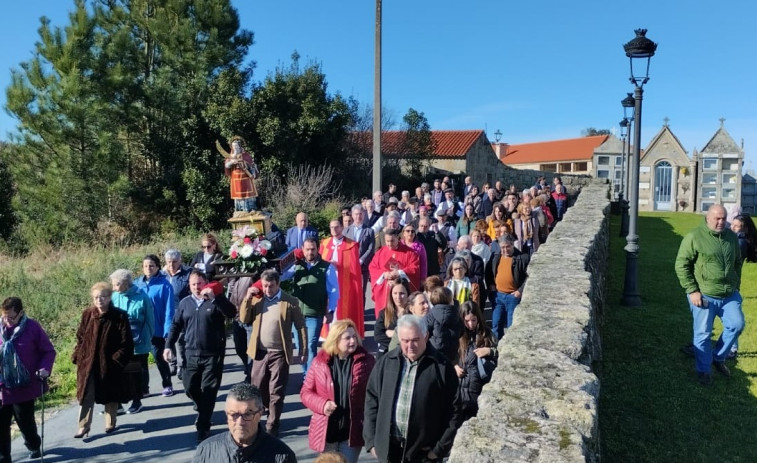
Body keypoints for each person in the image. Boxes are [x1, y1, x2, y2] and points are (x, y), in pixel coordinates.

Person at [363, 314, 462, 462]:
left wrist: (438, 450)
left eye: (415, 340)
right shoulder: (386, 362)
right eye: (405, 341)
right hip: (389, 452)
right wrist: (371, 442)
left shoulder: (442, 367)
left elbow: (454, 412)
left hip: (423, 455)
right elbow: (372, 401)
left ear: (426, 335)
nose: (410, 346)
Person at [675, 204, 744, 386]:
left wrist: (736, 283)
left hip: (729, 294)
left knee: (736, 325)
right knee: (703, 334)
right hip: (704, 294)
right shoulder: (694, 237)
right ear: (708, 218)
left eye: (723, 218)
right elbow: (681, 265)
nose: (721, 222)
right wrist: (692, 290)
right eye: (717, 218)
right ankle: (704, 370)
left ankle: (718, 358)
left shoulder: (731, 237)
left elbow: (737, 261)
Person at [164, 270, 235, 441]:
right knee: (189, 387)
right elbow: (175, 325)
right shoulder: (185, 303)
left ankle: (203, 426)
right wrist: (168, 346)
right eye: (193, 284)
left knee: (209, 390)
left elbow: (232, 313)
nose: (197, 287)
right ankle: (201, 406)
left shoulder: (216, 300)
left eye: (199, 283)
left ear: (206, 283)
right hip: (191, 354)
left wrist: (215, 298)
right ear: (189, 286)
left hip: (213, 354)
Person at [239, 269, 307, 436]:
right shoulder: (257, 300)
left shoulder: (290, 302)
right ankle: (262, 415)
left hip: (279, 353)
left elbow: (301, 326)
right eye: (265, 286)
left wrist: (303, 350)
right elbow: (243, 318)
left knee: (276, 390)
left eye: (271, 286)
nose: (267, 289)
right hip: (260, 353)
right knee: (258, 389)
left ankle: (272, 425)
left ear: (278, 284)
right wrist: (247, 298)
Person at [301, 320, 375, 463]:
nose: (353, 340)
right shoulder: (319, 362)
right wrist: (322, 405)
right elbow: (306, 392)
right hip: (326, 433)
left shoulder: (367, 361)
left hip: (351, 434)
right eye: (347, 338)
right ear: (335, 340)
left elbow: (374, 393)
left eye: (354, 336)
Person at [73, 282, 133, 438]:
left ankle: (110, 422)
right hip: (88, 362)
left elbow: (126, 343)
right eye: (96, 297)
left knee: (110, 393)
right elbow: (80, 337)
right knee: (86, 393)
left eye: (102, 297)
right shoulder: (87, 314)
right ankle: (83, 426)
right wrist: (78, 355)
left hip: (109, 364)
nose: (99, 300)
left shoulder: (119, 316)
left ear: (109, 297)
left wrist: (116, 360)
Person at [0, 298, 55, 461]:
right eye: (4, 317)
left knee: (25, 423)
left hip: (24, 386)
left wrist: (44, 368)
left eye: (11, 317)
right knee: (1, 426)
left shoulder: (32, 327)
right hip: (2, 387)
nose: (7, 321)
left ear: (21, 313)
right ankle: (4, 458)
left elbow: (48, 351)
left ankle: (33, 445)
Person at [192, 382, 296, 463]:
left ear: (260, 414)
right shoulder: (206, 451)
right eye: (233, 415)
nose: (240, 422)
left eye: (247, 414)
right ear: (226, 414)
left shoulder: (282, 456)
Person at [282, 237, 339, 375]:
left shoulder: (326, 267)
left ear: (318, 249)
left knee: (310, 346)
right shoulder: (296, 266)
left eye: (313, 249)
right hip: (296, 315)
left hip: (314, 314)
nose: (310, 252)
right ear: (302, 249)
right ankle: (306, 374)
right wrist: (287, 263)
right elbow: (281, 276)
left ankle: (309, 379)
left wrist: (330, 311)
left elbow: (334, 291)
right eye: (307, 249)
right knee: (301, 347)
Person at [110, 269, 154, 415]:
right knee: (120, 372)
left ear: (125, 284)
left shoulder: (142, 297)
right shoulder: (114, 297)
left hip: (139, 341)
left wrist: (149, 339)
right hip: (120, 342)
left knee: (136, 372)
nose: (113, 287)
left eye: (116, 284)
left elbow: (150, 320)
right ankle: (120, 404)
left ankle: (137, 401)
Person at [135, 254, 176, 398]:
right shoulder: (137, 284)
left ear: (158, 267)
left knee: (159, 358)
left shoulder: (165, 285)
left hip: (157, 329)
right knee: (141, 360)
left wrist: (167, 331)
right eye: (145, 266)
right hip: (141, 331)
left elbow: (169, 310)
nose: (148, 268)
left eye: (151, 265)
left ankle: (167, 384)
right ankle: (144, 388)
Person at [320, 219, 365, 337]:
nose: (334, 230)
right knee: (328, 307)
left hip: (345, 284)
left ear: (342, 228)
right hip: (327, 283)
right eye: (332, 227)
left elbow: (354, 268)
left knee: (343, 309)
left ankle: (343, 334)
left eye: (336, 227)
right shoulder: (324, 244)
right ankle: (328, 335)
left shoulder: (351, 245)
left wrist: (338, 265)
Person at [455, 301, 497, 422]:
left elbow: (503, 353)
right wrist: (454, 366)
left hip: (479, 388)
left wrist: (489, 351)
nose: (471, 324)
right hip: (459, 389)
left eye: (473, 320)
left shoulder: (487, 334)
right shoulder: (457, 335)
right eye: (467, 321)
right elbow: (447, 356)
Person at [369, 228, 421, 317]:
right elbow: (372, 267)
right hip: (385, 290)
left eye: (392, 241)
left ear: (398, 238)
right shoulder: (380, 253)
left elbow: (415, 268)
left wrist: (400, 273)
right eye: (387, 241)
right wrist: (384, 274)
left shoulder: (409, 253)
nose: (389, 244)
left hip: (402, 291)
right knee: (385, 316)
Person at [486, 235, 530, 340]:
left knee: (511, 326)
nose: (505, 250)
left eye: (508, 247)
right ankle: (496, 348)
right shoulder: (495, 257)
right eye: (502, 247)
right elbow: (488, 272)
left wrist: (520, 291)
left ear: (512, 245)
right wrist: (491, 285)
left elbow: (529, 276)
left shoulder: (523, 258)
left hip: (513, 297)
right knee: (496, 324)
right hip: (498, 296)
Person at [163, 249, 191, 378]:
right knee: (168, 338)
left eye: (174, 262)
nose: (171, 265)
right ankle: (172, 364)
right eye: (169, 262)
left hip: (181, 311)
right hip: (165, 313)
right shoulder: (161, 275)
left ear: (180, 261)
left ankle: (182, 365)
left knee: (180, 340)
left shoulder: (187, 273)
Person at [344, 204, 376, 307]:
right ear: (352, 215)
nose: (358, 217)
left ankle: (361, 316)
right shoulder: (346, 231)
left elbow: (371, 249)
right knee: (349, 291)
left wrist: (361, 260)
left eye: (361, 214)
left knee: (361, 291)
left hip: (363, 268)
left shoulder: (369, 231)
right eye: (356, 214)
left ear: (364, 215)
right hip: (349, 267)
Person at [426, 287, 464, 363]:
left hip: (434, 354)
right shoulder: (456, 315)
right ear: (450, 301)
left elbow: (424, 330)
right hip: (452, 355)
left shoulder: (430, 316)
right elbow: (461, 331)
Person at [222, 136, 259, 213]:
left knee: (248, 195)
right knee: (238, 196)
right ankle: (240, 210)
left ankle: (251, 208)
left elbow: (251, 165)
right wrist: (232, 162)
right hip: (236, 178)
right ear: (231, 147)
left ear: (239, 146)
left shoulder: (246, 155)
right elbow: (226, 165)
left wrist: (253, 172)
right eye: (233, 146)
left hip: (246, 177)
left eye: (236, 146)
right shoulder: (231, 156)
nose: (235, 147)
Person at [374, 281, 410, 358]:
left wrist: (393, 334)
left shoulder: (412, 313)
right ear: (391, 295)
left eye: (402, 293)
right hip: (387, 354)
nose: (398, 297)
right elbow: (378, 335)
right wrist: (400, 340)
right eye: (395, 293)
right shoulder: (384, 313)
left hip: (408, 355)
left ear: (408, 294)